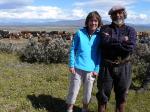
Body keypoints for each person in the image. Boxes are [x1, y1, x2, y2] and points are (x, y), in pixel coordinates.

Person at [96, 5, 137, 112]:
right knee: (103, 95)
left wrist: (112, 40)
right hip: (106, 66)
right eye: (115, 14)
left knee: (122, 96)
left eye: (120, 13)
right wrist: (123, 40)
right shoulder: (105, 29)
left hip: (124, 66)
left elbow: (130, 47)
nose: (118, 15)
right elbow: (104, 43)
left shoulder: (131, 30)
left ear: (124, 14)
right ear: (111, 16)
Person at [66, 11, 102, 112]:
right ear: (87, 22)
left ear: (98, 22)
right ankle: (69, 109)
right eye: (91, 20)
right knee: (73, 91)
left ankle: (84, 109)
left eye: (96, 21)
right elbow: (73, 49)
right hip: (77, 68)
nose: (93, 23)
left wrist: (97, 68)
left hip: (91, 69)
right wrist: (71, 64)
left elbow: (100, 53)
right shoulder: (79, 33)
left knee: (88, 93)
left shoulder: (100, 35)